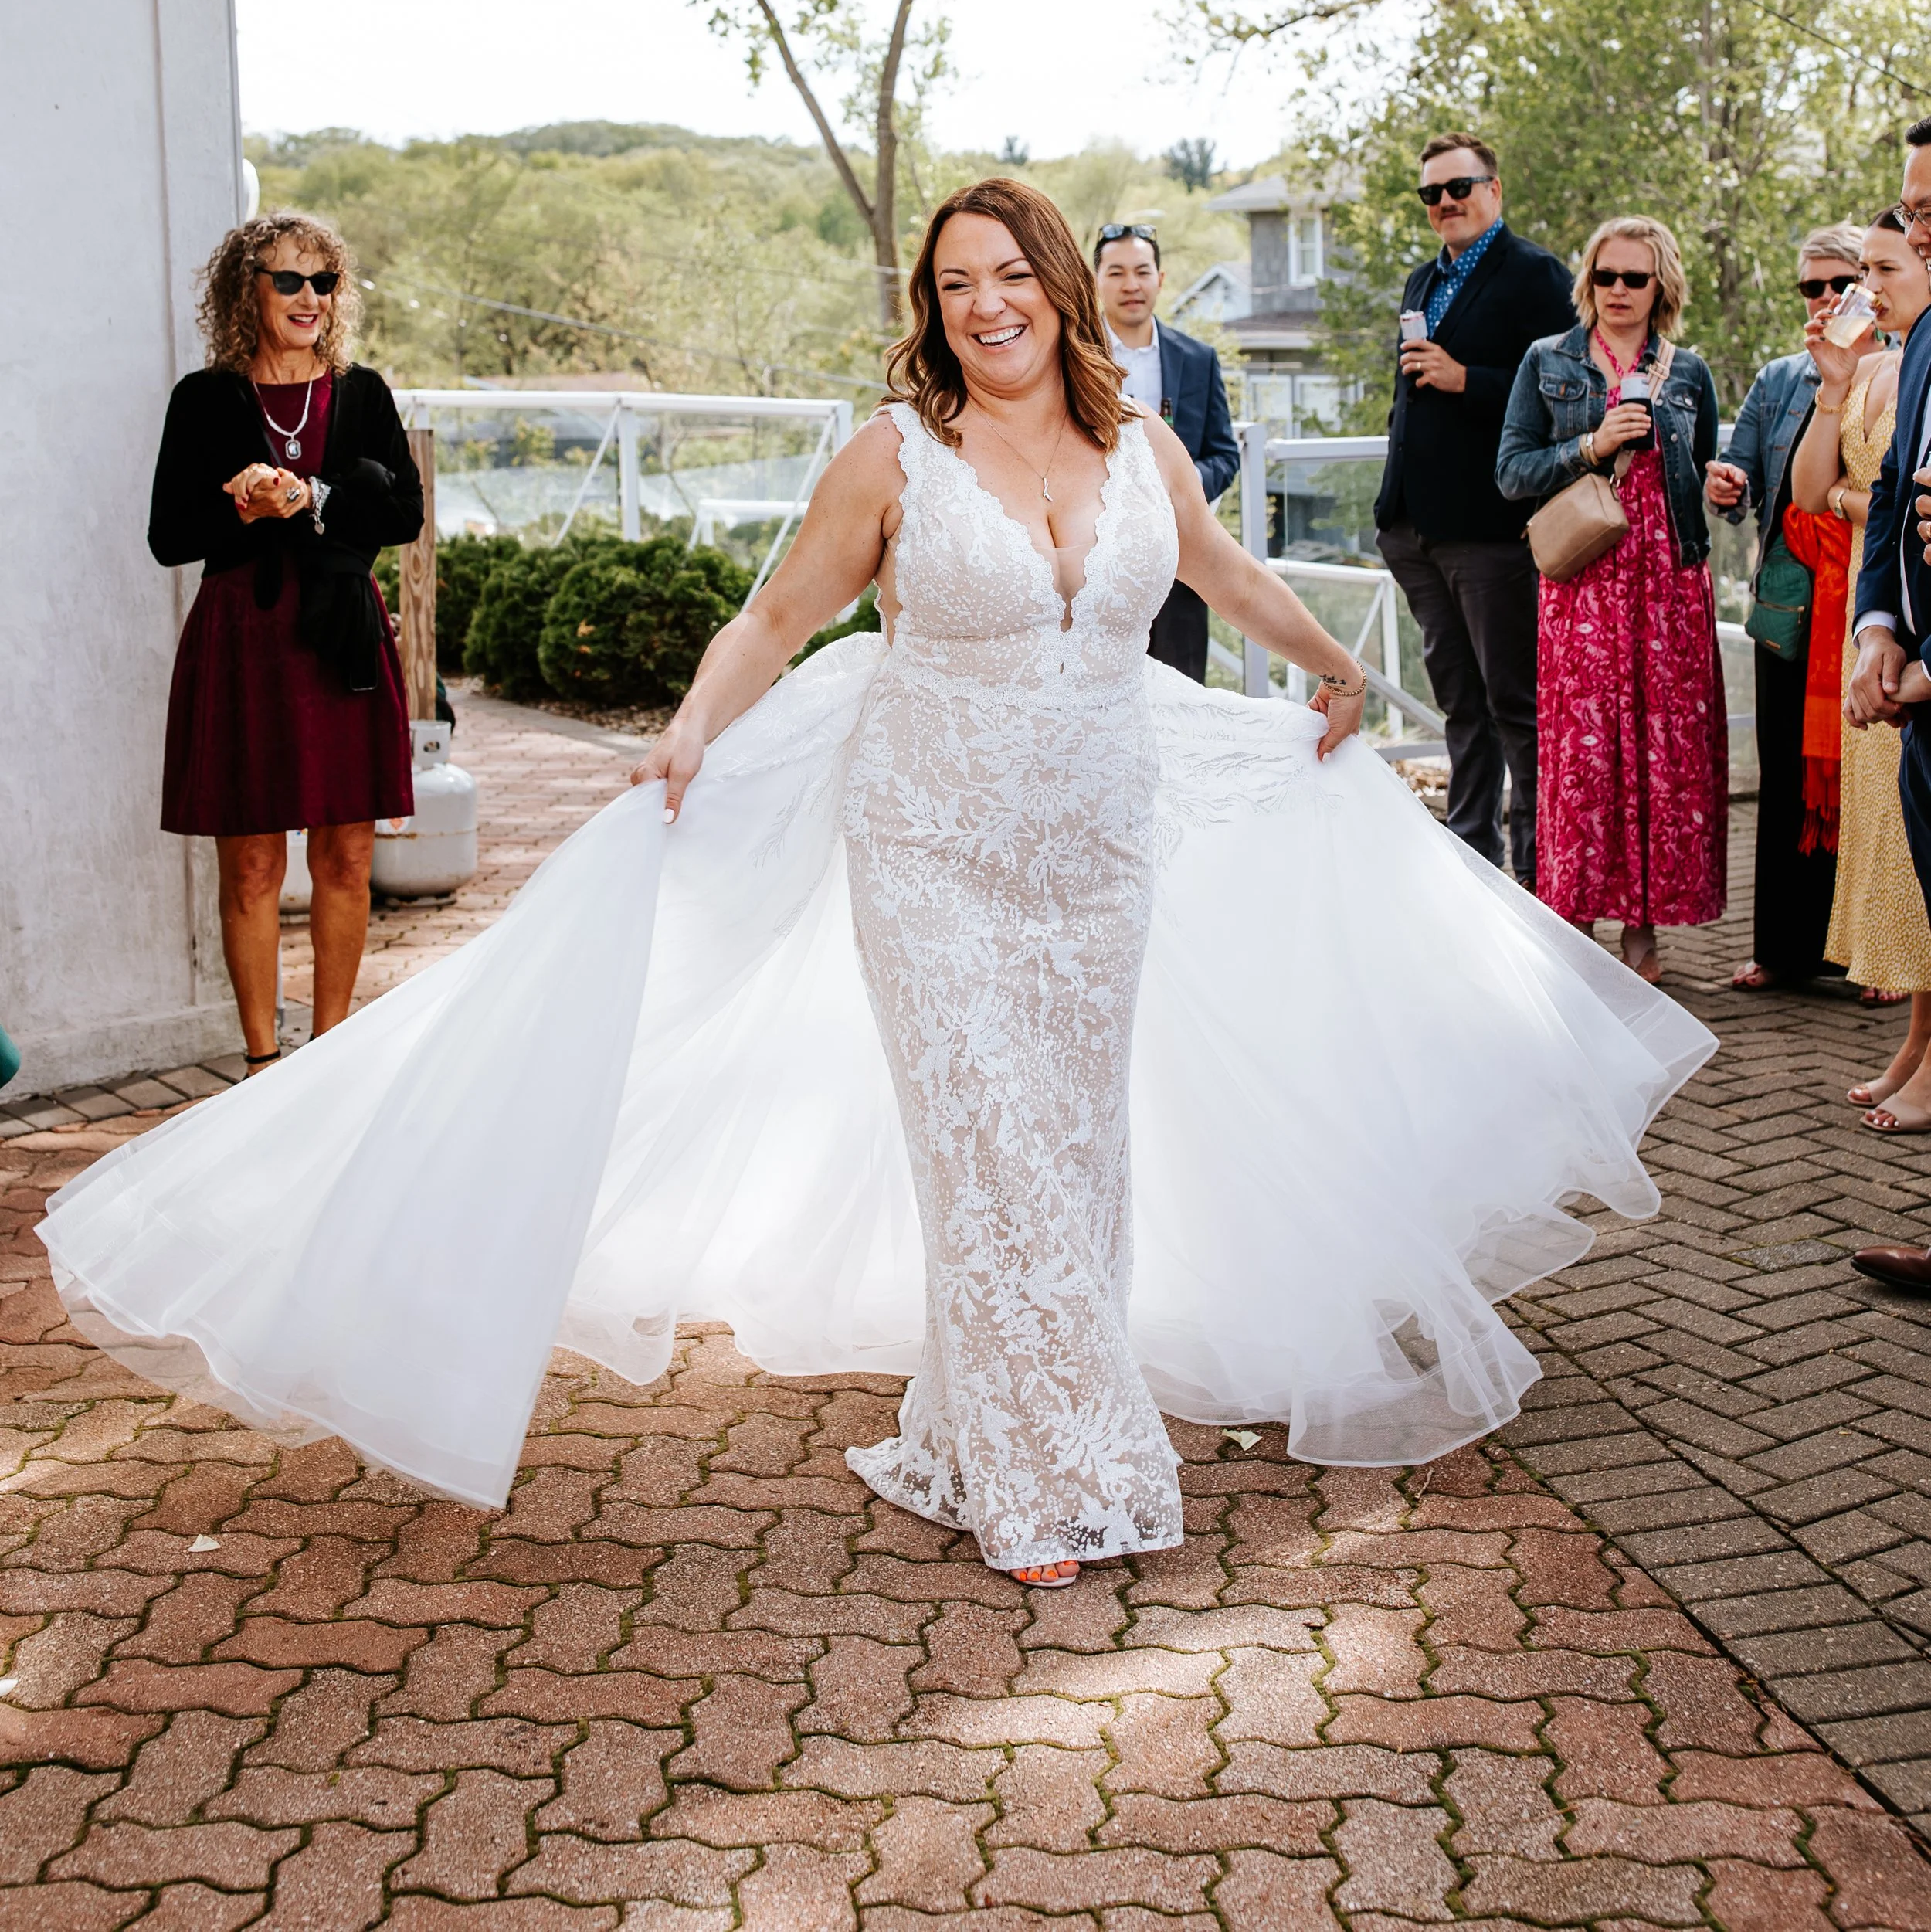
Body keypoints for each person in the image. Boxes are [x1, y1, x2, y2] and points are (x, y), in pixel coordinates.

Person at [43, 183, 1713, 1584]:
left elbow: (1217, 571)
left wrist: (1333, 674)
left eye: (1008, 277)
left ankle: (965, 1416)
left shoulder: (1142, 451)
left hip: (1094, 853)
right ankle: (1047, 1467)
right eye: (952, 284)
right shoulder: (890, 457)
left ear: (1061, 290)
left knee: (1072, 1141)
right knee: (983, 1142)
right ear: (933, 307)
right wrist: (689, 733)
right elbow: (775, 619)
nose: (984, 306)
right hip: (926, 845)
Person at [147, 212, 422, 1069]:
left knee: (346, 849)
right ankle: (264, 1063)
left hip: (339, 631)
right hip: (244, 639)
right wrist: (241, 505)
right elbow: (167, 536)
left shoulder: (364, 393)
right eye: (289, 281)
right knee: (254, 860)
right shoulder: (204, 398)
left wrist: (313, 500)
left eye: (324, 282)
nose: (310, 298)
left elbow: (403, 513)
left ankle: (331, 1056)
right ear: (248, 289)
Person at [1497, 216, 1727, 980]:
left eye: (1636, 277)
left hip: (1668, 584)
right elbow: (1510, 473)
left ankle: (1642, 928)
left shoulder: (1685, 372)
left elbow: (1698, 473)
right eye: (1606, 277)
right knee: (1585, 756)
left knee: (1661, 754)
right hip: (1586, 579)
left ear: (1660, 284)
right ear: (1586, 282)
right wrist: (1591, 446)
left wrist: (1725, 484)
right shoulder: (1546, 361)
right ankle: (1573, 922)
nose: (1619, 291)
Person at [1374, 132, 1576, 885]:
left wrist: (1471, 380)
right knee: (1459, 705)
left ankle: (1539, 874)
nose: (1445, 204)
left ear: (1493, 189)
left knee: (1515, 707)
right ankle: (1471, 865)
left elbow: (1567, 394)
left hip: (1491, 531)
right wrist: (1388, 513)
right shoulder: (1420, 282)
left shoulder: (1535, 276)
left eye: (1458, 187)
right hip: (1416, 530)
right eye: (1431, 194)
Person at [1790, 212, 1931, 1109]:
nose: (1862, 292)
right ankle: (1917, 1045)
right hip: (1872, 631)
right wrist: (1832, 387)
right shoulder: (1884, 366)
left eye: (1881, 268)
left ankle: (1926, 1059)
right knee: (1901, 853)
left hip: (1912, 633)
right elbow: (1808, 494)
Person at [1706, 226, 1867, 990]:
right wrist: (1724, 485)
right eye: (1813, 288)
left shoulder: (1901, 368)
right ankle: (1783, 950)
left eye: (1842, 284)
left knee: (1870, 774)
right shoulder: (1777, 379)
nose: (1827, 299)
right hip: (1790, 602)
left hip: (1871, 597)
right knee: (1783, 774)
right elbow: (1738, 471)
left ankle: (1877, 952)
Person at [1093, 219, 1240, 681]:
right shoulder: (1072, 354)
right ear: (1096, 279)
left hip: (1181, 558)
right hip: (1094, 559)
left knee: (1184, 688)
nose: (1131, 285)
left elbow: (1224, 453)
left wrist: (1187, 482)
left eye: (1142, 271)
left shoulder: (1198, 358)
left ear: (1161, 278)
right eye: (1116, 272)